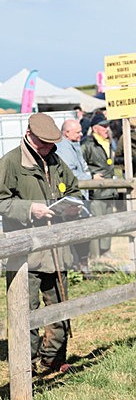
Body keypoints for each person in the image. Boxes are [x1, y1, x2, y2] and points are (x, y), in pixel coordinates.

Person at [0, 113, 83, 374]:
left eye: (51, 143)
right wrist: (28, 209)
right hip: (25, 251)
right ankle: (27, 364)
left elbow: (74, 189)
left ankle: (54, 358)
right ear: (29, 134)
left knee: (59, 304)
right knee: (26, 310)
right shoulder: (11, 162)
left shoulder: (55, 160)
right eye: (43, 143)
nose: (48, 147)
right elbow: (2, 200)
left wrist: (73, 206)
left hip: (57, 248)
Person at [55, 118, 93, 276]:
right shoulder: (64, 148)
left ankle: (80, 265)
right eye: (77, 132)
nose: (81, 134)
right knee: (76, 232)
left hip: (79, 196)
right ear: (67, 133)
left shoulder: (73, 145)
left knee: (82, 232)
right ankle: (76, 266)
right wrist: (89, 178)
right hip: (72, 197)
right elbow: (70, 173)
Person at [82, 111, 118, 259]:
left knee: (109, 223)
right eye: (103, 126)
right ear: (95, 128)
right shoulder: (87, 144)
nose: (106, 128)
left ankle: (106, 250)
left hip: (110, 189)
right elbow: (80, 164)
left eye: (107, 126)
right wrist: (91, 176)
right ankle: (95, 255)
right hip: (96, 191)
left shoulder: (108, 142)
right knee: (97, 223)